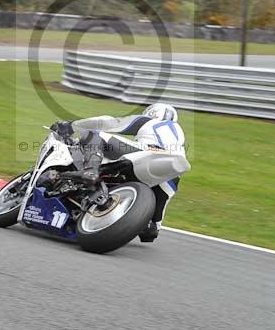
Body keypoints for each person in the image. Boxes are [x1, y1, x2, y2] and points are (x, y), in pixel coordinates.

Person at [62, 103, 188, 243]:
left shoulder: (151, 121)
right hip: (173, 173)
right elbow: (150, 234)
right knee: (152, 228)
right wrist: (146, 224)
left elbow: (108, 122)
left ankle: (90, 170)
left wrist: (71, 125)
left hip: (150, 151)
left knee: (94, 134)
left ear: (153, 113)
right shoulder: (178, 138)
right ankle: (146, 223)